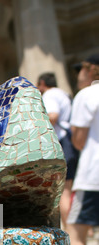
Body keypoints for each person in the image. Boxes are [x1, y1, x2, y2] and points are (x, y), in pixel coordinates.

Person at [66, 53, 99, 245]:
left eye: (80, 70)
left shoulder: (86, 95)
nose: (78, 75)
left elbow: (78, 140)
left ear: (90, 70)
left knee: (74, 232)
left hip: (93, 173)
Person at [37, 72, 80, 230]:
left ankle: (70, 232)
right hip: (69, 145)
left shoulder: (50, 94)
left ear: (42, 83)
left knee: (62, 193)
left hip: (61, 144)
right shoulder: (64, 94)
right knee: (68, 190)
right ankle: (74, 230)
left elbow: (53, 116)